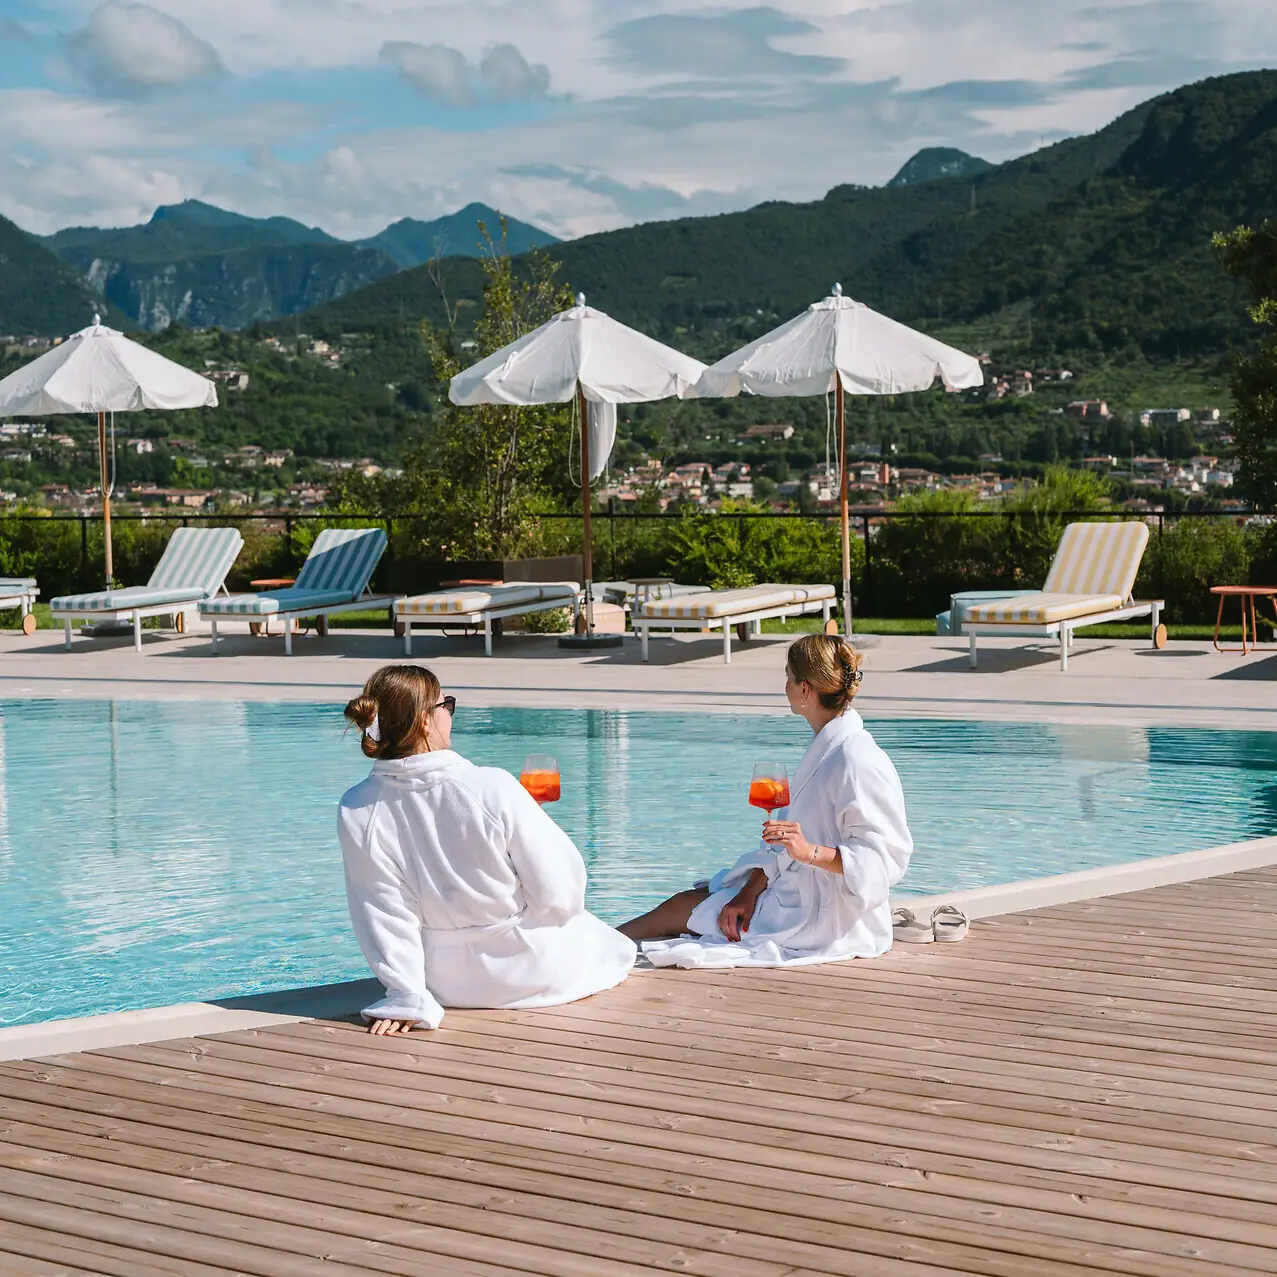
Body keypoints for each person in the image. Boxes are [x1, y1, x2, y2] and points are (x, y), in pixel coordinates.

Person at [338, 664, 636, 1034]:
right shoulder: (490, 786)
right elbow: (560, 893)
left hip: (445, 984)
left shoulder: (357, 807)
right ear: (425, 721)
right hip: (536, 971)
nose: (449, 714)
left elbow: (383, 911)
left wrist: (407, 994)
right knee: (609, 944)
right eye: (446, 705)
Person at [619, 634, 912, 968]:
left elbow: (883, 860)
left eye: (788, 678)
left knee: (678, 910)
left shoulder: (856, 759)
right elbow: (783, 851)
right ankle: (598, 942)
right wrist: (749, 892)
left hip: (826, 922)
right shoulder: (827, 750)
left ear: (805, 689)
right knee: (688, 903)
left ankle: (594, 947)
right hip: (797, 897)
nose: (785, 687)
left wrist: (809, 852)